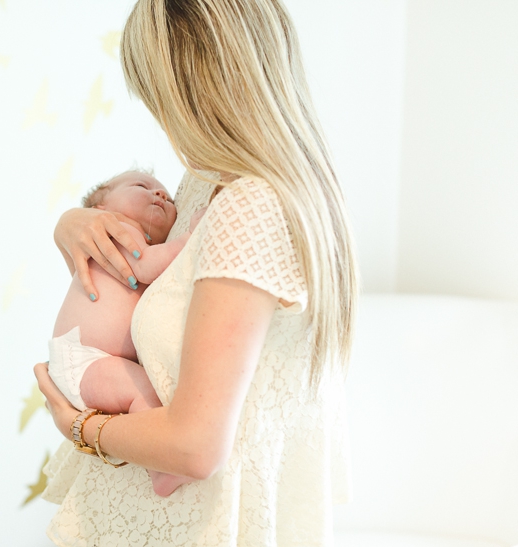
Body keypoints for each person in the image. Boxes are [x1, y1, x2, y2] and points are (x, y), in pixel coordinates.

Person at [35, 0, 359, 545]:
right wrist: (74, 222)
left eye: (158, 96)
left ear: (189, 88)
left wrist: (78, 427)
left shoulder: (249, 205)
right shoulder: (202, 184)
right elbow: (138, 278)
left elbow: (195, 446)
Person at [49, 169, 204, 497]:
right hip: (84, 360)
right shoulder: (113, 230)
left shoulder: (133, 239)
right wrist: (193, 237)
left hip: (91, 359)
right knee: (145, 394)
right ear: (100, 204)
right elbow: (146, 266)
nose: (160, 195)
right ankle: (161, 468)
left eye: (168, 196)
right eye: (142, 186)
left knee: (145, 392)